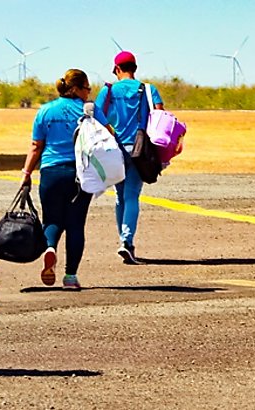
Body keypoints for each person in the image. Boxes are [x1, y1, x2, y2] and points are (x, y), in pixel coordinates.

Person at [20, 68, 109, 290]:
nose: (89, 92)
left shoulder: (45, 111)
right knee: (76, 224)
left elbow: (36, 146)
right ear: (77, 88)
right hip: (81, 173)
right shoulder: (90, 109)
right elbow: (109, 135)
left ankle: (50, 247)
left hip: (50, 172)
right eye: (87, 88)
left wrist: (26, 173)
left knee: (51, 219)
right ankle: (70, 276)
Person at [94, 51, 163, 264]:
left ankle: (123, 240)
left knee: (119, 196)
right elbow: (160, 115)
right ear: (135, 68)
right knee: (132, 196)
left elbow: (95, 115)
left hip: (113, 150)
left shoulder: (107, 91)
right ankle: (127, 241)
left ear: (116, 69)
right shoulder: (148, 90)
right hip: (139, 149)